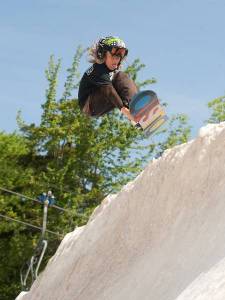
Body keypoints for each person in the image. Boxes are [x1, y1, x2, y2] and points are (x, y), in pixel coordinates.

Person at [78, 36, 138, 123]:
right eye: (114, 54)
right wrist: (125, 111)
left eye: (121, 55)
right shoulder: (98, 69)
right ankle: (134, 110)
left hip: (95, 105)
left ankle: (136, 112)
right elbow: (109, 91)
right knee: (121, 77)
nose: (117, 58)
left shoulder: (110, 73)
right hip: (89, 105)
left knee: (128, 84)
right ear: (103, 54)